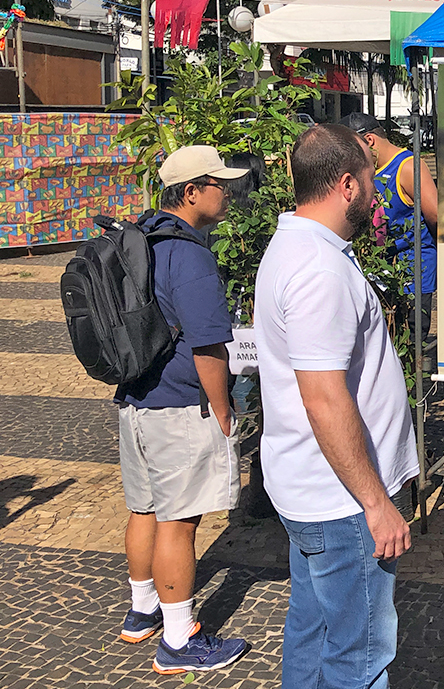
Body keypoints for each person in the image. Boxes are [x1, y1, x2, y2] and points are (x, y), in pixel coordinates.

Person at [255, 123, 420, 689]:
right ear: (347, 184)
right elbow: (324, 397)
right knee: (359, 656)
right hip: (342, 499)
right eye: (371, 179)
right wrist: (376, 502)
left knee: (312, 628)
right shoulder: (318, 269)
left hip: (316, 489)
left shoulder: (297, 246)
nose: (376, 192)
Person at [115, 145, 249, 675]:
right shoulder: (188, 252)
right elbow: (209, 343)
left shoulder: (139, 240)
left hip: (136, 400)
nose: (229, 193)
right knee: (180, 522)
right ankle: (177, 640)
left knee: (144, 508)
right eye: (220, 184)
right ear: (191, 192)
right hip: (179, 404)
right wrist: (223, 410)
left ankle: (142, 611)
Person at [341, 111, 438, 333]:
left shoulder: (408, 167)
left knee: (411, 333)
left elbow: (435, 216)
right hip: (379, 271)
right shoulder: (365, 171)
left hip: (412, 270)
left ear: (369, 140)